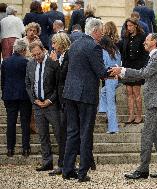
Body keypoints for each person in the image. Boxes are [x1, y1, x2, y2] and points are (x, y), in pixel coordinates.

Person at [110, 33, 157, 180]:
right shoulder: (155, 56)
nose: (144, 42)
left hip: (156, 101)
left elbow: (143, 73)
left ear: (155, 42)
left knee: (147, 135)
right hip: (156, 101)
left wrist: (123, 70)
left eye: (147, 40)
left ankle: (143, 170)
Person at [62, 18, 110, 182]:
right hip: (86, 95)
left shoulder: (74, 44)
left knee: (72, 132)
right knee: (85, 133)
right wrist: (115, 71)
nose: (102, 34)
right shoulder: (94, 46)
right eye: (101, 31)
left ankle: (67, 169)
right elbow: (101, 71)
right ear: (95, 31)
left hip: (70, 93)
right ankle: (82, 172)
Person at [25, 41, 61, 172]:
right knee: (43, 135)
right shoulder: (30, 64)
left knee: (59, 133)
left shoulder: (52, 63)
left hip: (52, 105)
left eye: (38, 54)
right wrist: (34, 100)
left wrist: (50, 100)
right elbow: (28, 84)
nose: (37, 57)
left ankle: (63, 163)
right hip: (38, 106)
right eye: (34, 55)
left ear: (44, 50)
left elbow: (59, 85)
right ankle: (47, 162)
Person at [1, 39, 32, 157]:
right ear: (24, 50)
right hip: (24, 96)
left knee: (11, 122)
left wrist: (4, 93)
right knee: (25, 122)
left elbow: (3, 80)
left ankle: (10, 148)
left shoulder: (5, 62)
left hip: (9, 95)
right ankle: (25, 148)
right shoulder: (26, 62)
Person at [48, 33, 71, 176]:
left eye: (54, 43)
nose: (53, 46)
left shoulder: (67, 55)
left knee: (65, 133)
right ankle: (63, 164)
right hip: (61, 99)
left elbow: (63, 76)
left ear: (61, 43)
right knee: (62, 133)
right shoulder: (62, 56)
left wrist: (55, 63)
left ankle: (64, 164)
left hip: (66, 99)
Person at [119, 18, 148, 124]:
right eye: (127, 26)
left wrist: (143, 67)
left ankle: (139, 116)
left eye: (131, 25)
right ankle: (131, 115)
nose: (129, 28)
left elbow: (145, 54)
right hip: (127, 67)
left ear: (135, 25)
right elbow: (123, 52)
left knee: (136, 93)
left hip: (137, 68)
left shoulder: (142, 37)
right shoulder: (125, 37)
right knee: (129, 92)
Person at [98, 36, 121, 134]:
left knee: (111, 104)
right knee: (103, 91)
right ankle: (102, 108)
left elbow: (103, 65)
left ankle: (113, 128)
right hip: (117, 77)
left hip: (109, 78)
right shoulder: (117, 51)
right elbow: (119, 63)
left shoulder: (104, 52)